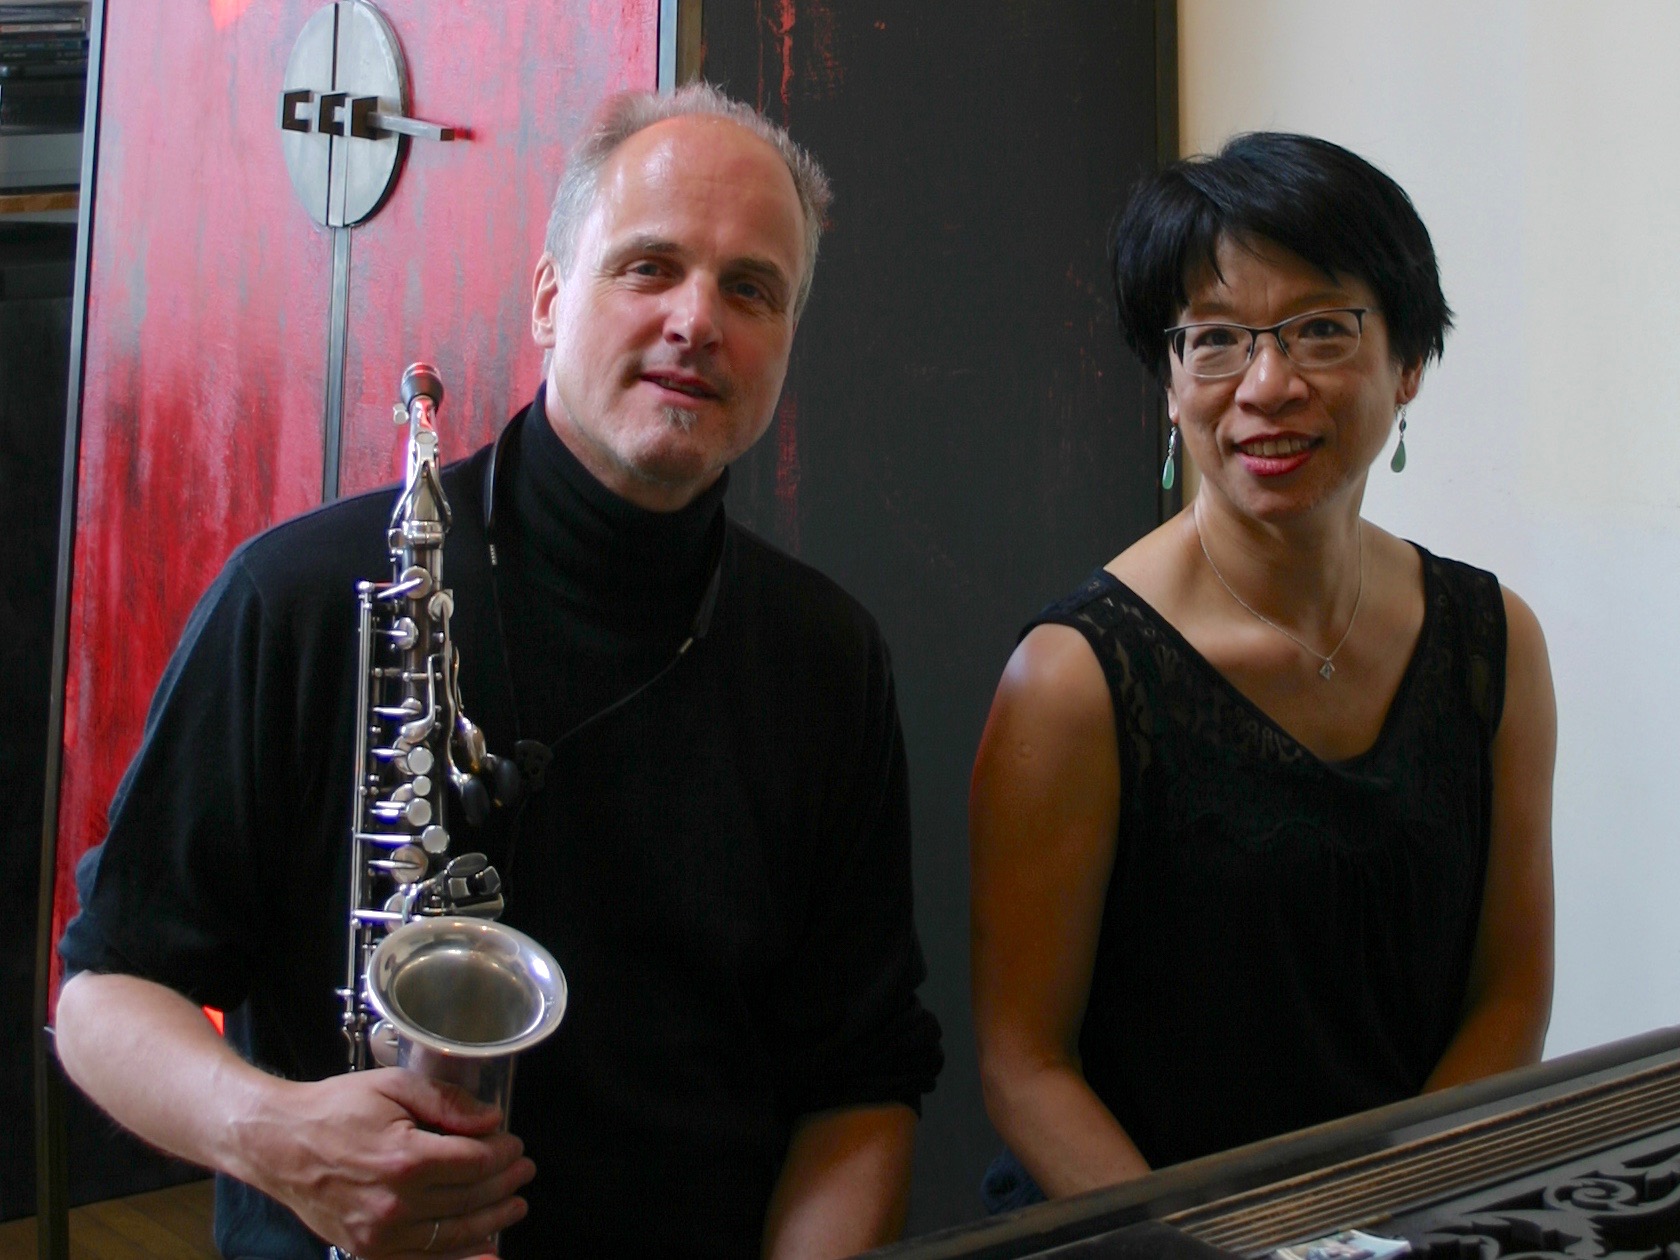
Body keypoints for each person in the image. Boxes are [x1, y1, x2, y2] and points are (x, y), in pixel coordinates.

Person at [54, 84, 942, 1259]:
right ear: (548, 299)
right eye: (649, 267)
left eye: (750, 289)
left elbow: (861, 1083)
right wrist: (274, 1137)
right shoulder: (302, 596)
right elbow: (104, 993)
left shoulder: (828, 658)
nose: (696, 320)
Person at [969, 132, 1555, 1209]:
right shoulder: (1074, 678)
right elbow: (1025, 1065)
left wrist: (1389, 1215)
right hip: (1142, 1227)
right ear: (1169, 382)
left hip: (1405, 1218)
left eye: (1323, 330)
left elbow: (1509, 996)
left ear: (1409, 364)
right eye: (1216, 340)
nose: (1268, 384)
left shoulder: (1494, 642)